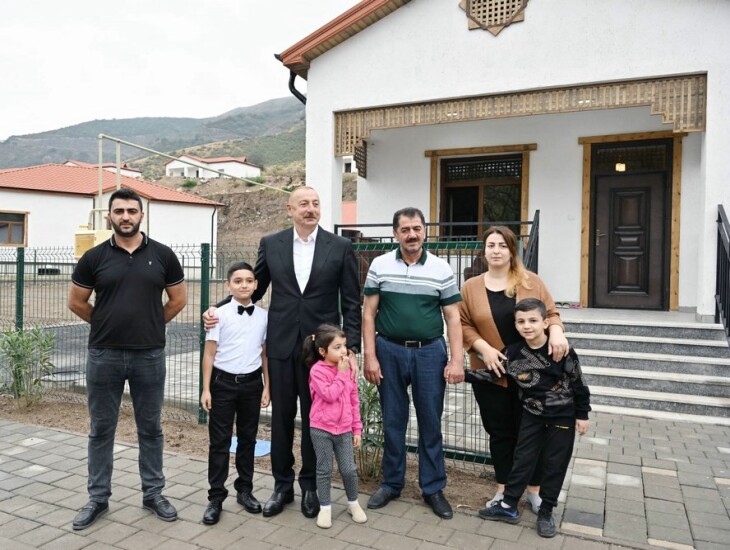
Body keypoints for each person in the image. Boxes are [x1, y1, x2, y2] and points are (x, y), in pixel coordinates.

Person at [203, 185, 361, 519]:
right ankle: (282, 486)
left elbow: (351, 301)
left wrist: (352, 349)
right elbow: (253, 288)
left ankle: (311, 487)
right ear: (290, 209)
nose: (310, 208)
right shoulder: (271, 243)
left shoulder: (340, 246)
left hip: (320, 351)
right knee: (281, 418)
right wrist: (217, 310)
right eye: (303, 204)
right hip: (281, 345)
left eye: (315, 203)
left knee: (317, 419)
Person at [67, 188, 187, 530]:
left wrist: (152, 324)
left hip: (149, 355)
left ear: (141, 216)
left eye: (131, 211)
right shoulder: (93, 257)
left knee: (151, 429)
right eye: (119, 211)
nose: (125, 217)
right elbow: (76, 301)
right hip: (103, 354)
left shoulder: (163, 255)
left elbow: (178, 299)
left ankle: (153, 494)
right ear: (109, 216)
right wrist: (104, 323)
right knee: (101, 429)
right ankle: (97, 498)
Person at [458, 225, 569, 515]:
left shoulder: (531, 282)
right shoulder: (471, 287)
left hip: (532, 375)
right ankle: (503, 489)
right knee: (500, 433)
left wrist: (557, 332)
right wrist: (483, 348)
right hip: (491, 373)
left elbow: (551, 313)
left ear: (512, 250)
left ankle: (534, 490)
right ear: (484, 251)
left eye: (502, 245)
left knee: (534, 432)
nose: (496, 251)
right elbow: (463, 323)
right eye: (491, 245)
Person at [362, 207, 464, 519]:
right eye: (405, 229)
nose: (412, 235)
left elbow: (453, 317)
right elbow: (368, 313)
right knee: (393, 420)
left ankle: (432, 488)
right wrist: (370, 356)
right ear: (395, 233)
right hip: (388, 351)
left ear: (424, 231)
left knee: (431, 422)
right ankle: (391, 483)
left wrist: (457, 360)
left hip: (429, 353)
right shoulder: (379, 265)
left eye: (417, 228)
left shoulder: (440, 268)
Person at [469, 298, 590, 538]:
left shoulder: (561, 350)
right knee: (522, 458)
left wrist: (582, 414)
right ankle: (508, 505)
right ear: (515, 325)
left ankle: (546, 512)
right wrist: (460, 374)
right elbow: (494, 374)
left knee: (555, 464)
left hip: (562, 418)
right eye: (521, 321)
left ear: (545, 323)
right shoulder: (513, 352)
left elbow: (578, 383)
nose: (527, 326)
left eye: (533, 320)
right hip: (532, 416)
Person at [200, 261, 270, 525]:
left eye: (249, 281)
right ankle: (216, 497)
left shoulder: (264, 316)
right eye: (238, 281)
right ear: (228, 285)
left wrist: (267, 386)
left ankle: (245, 490)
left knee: (248, 439)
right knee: (219, 441)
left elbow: (265, 355)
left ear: (256, 284)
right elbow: (209, 354)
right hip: (223, 383)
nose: (244, 285)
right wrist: (206, 389)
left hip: (252, 384)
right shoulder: (218, 315)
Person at [304, 323, 367, 529]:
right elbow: (329, 395)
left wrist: (357, 429)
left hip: (345, 429)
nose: (343, 351)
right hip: (321, 429)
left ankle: (353, 503)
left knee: (349, 469)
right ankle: (325, 508)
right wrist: (340, 374)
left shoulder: (347, 370)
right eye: (337, 347)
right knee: (324, 469)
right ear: (323, 351)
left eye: (344, 346)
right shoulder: (317, 371)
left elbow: (354, 400)